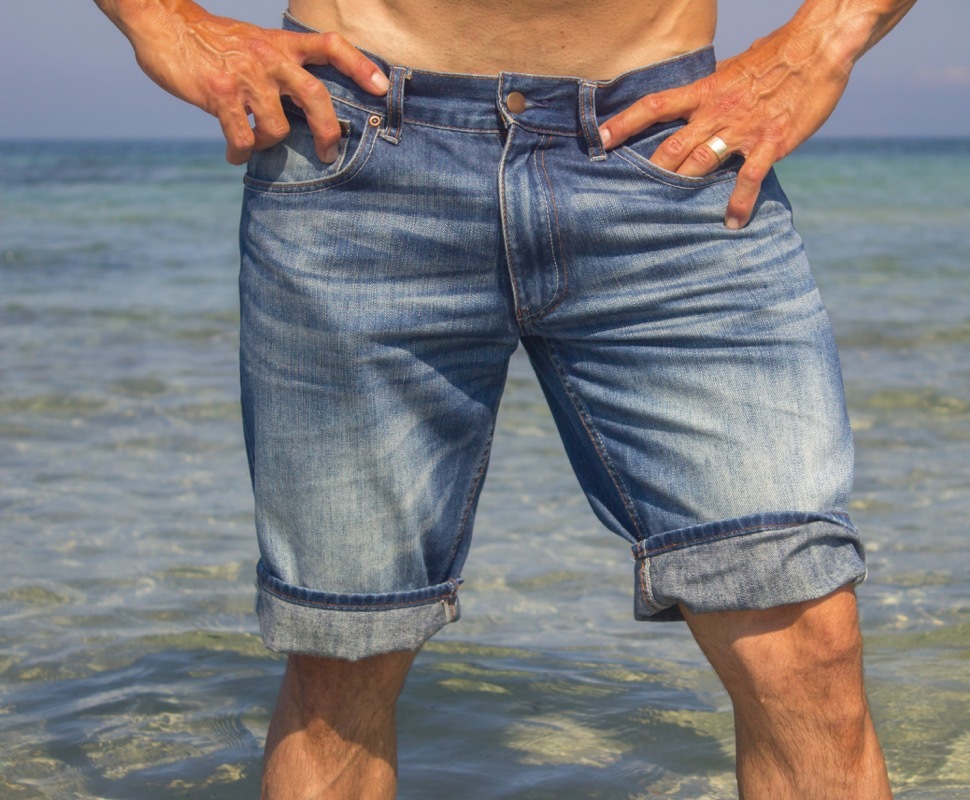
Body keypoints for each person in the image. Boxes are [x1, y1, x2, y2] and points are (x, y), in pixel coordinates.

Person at [93, 0, 916, 797]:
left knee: (806, 644)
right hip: (359, 152)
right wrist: (161, 18)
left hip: (668, 152)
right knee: (341, 660)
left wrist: (828, 34)